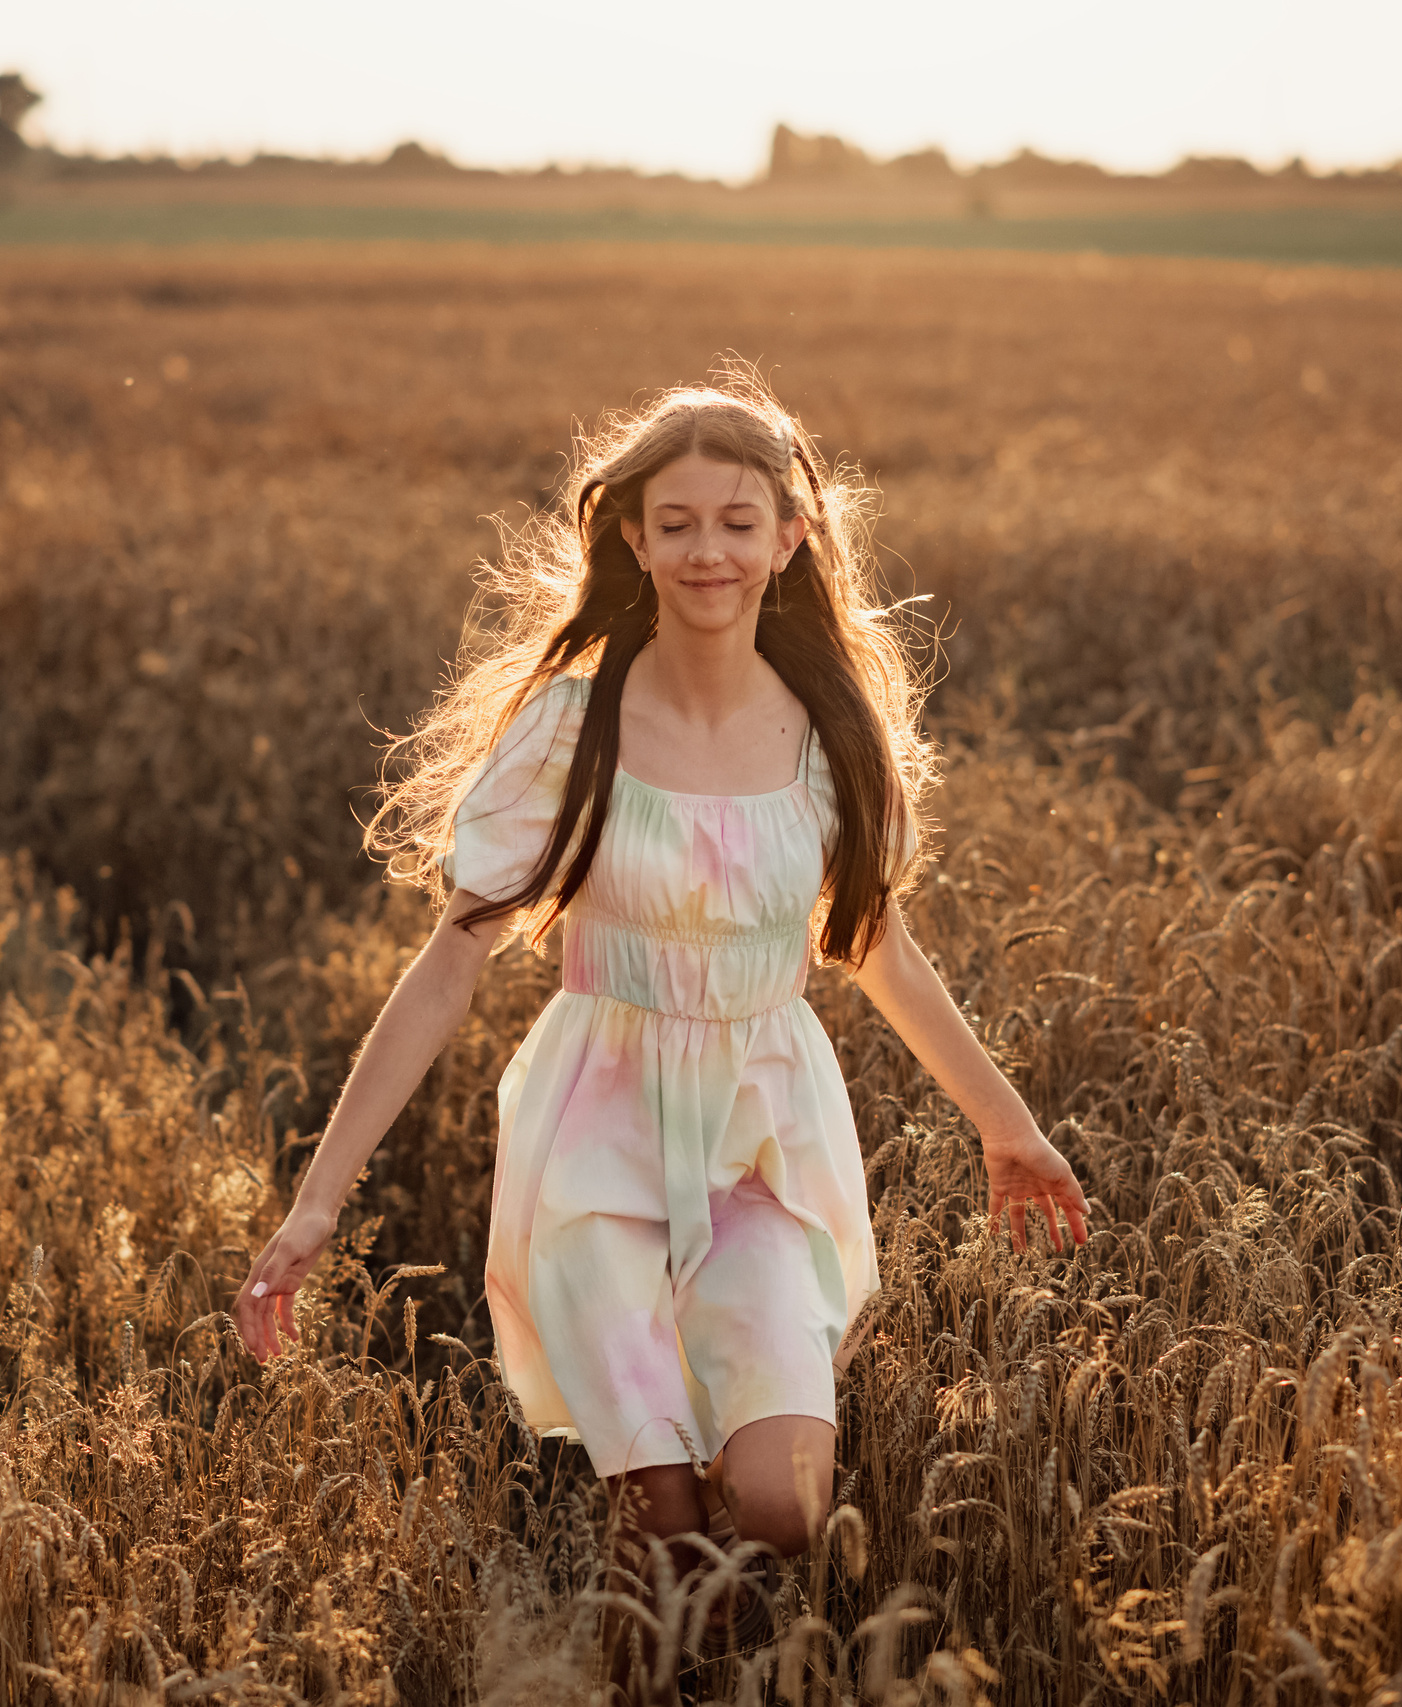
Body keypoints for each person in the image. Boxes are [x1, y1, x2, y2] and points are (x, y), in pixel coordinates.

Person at [232, 375, 1088, 1589]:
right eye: (675, 523)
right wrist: (317, 1202)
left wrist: (1010, 1130)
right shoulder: (567, 730)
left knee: (784, 1507)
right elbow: (448, 967)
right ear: (631, 537)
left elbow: (877, 947)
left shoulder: (833, 736)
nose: (706, 552)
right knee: (669, 1522)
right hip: (595, 1137)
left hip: (765, 1141)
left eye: (738, 523)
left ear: (791, 537)